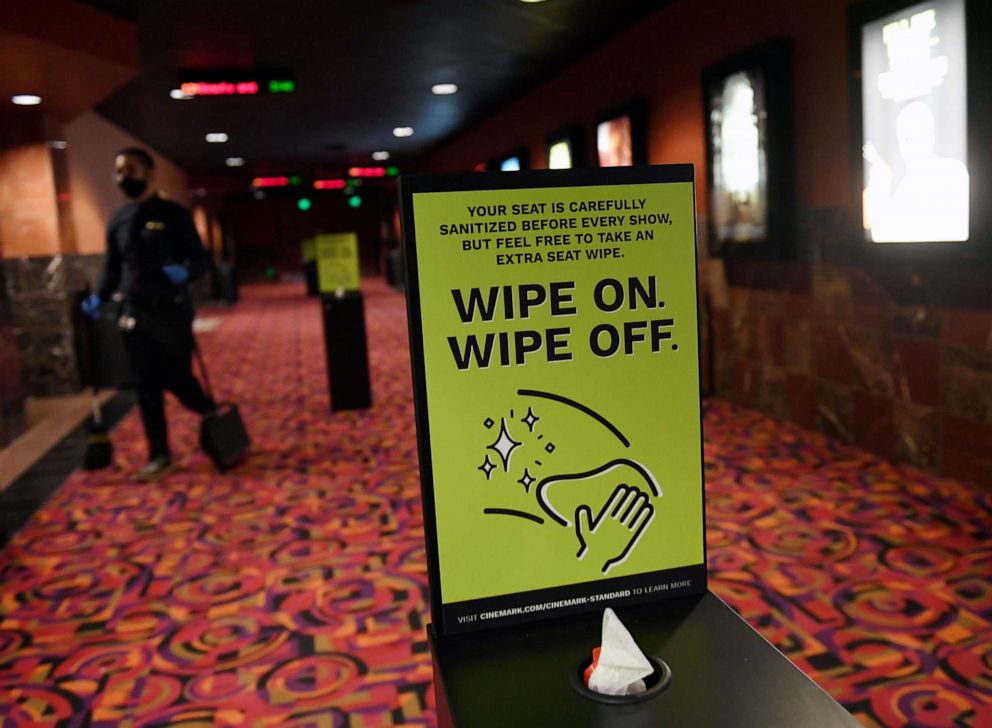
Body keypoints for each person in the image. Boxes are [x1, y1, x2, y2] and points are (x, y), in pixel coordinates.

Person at [81, 147, 215, 480]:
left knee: (177, 378)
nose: (124, 177)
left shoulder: (174, 215)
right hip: (134, 314)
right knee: (145, 386)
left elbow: (200, 259)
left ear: (149, 173)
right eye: (119, 171)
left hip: (170, 312)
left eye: (131, 169)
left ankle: (208, 411)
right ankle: (159, 454)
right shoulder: (118, 220)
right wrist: (99, 298)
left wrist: (187, 272)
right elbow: (112, 268)